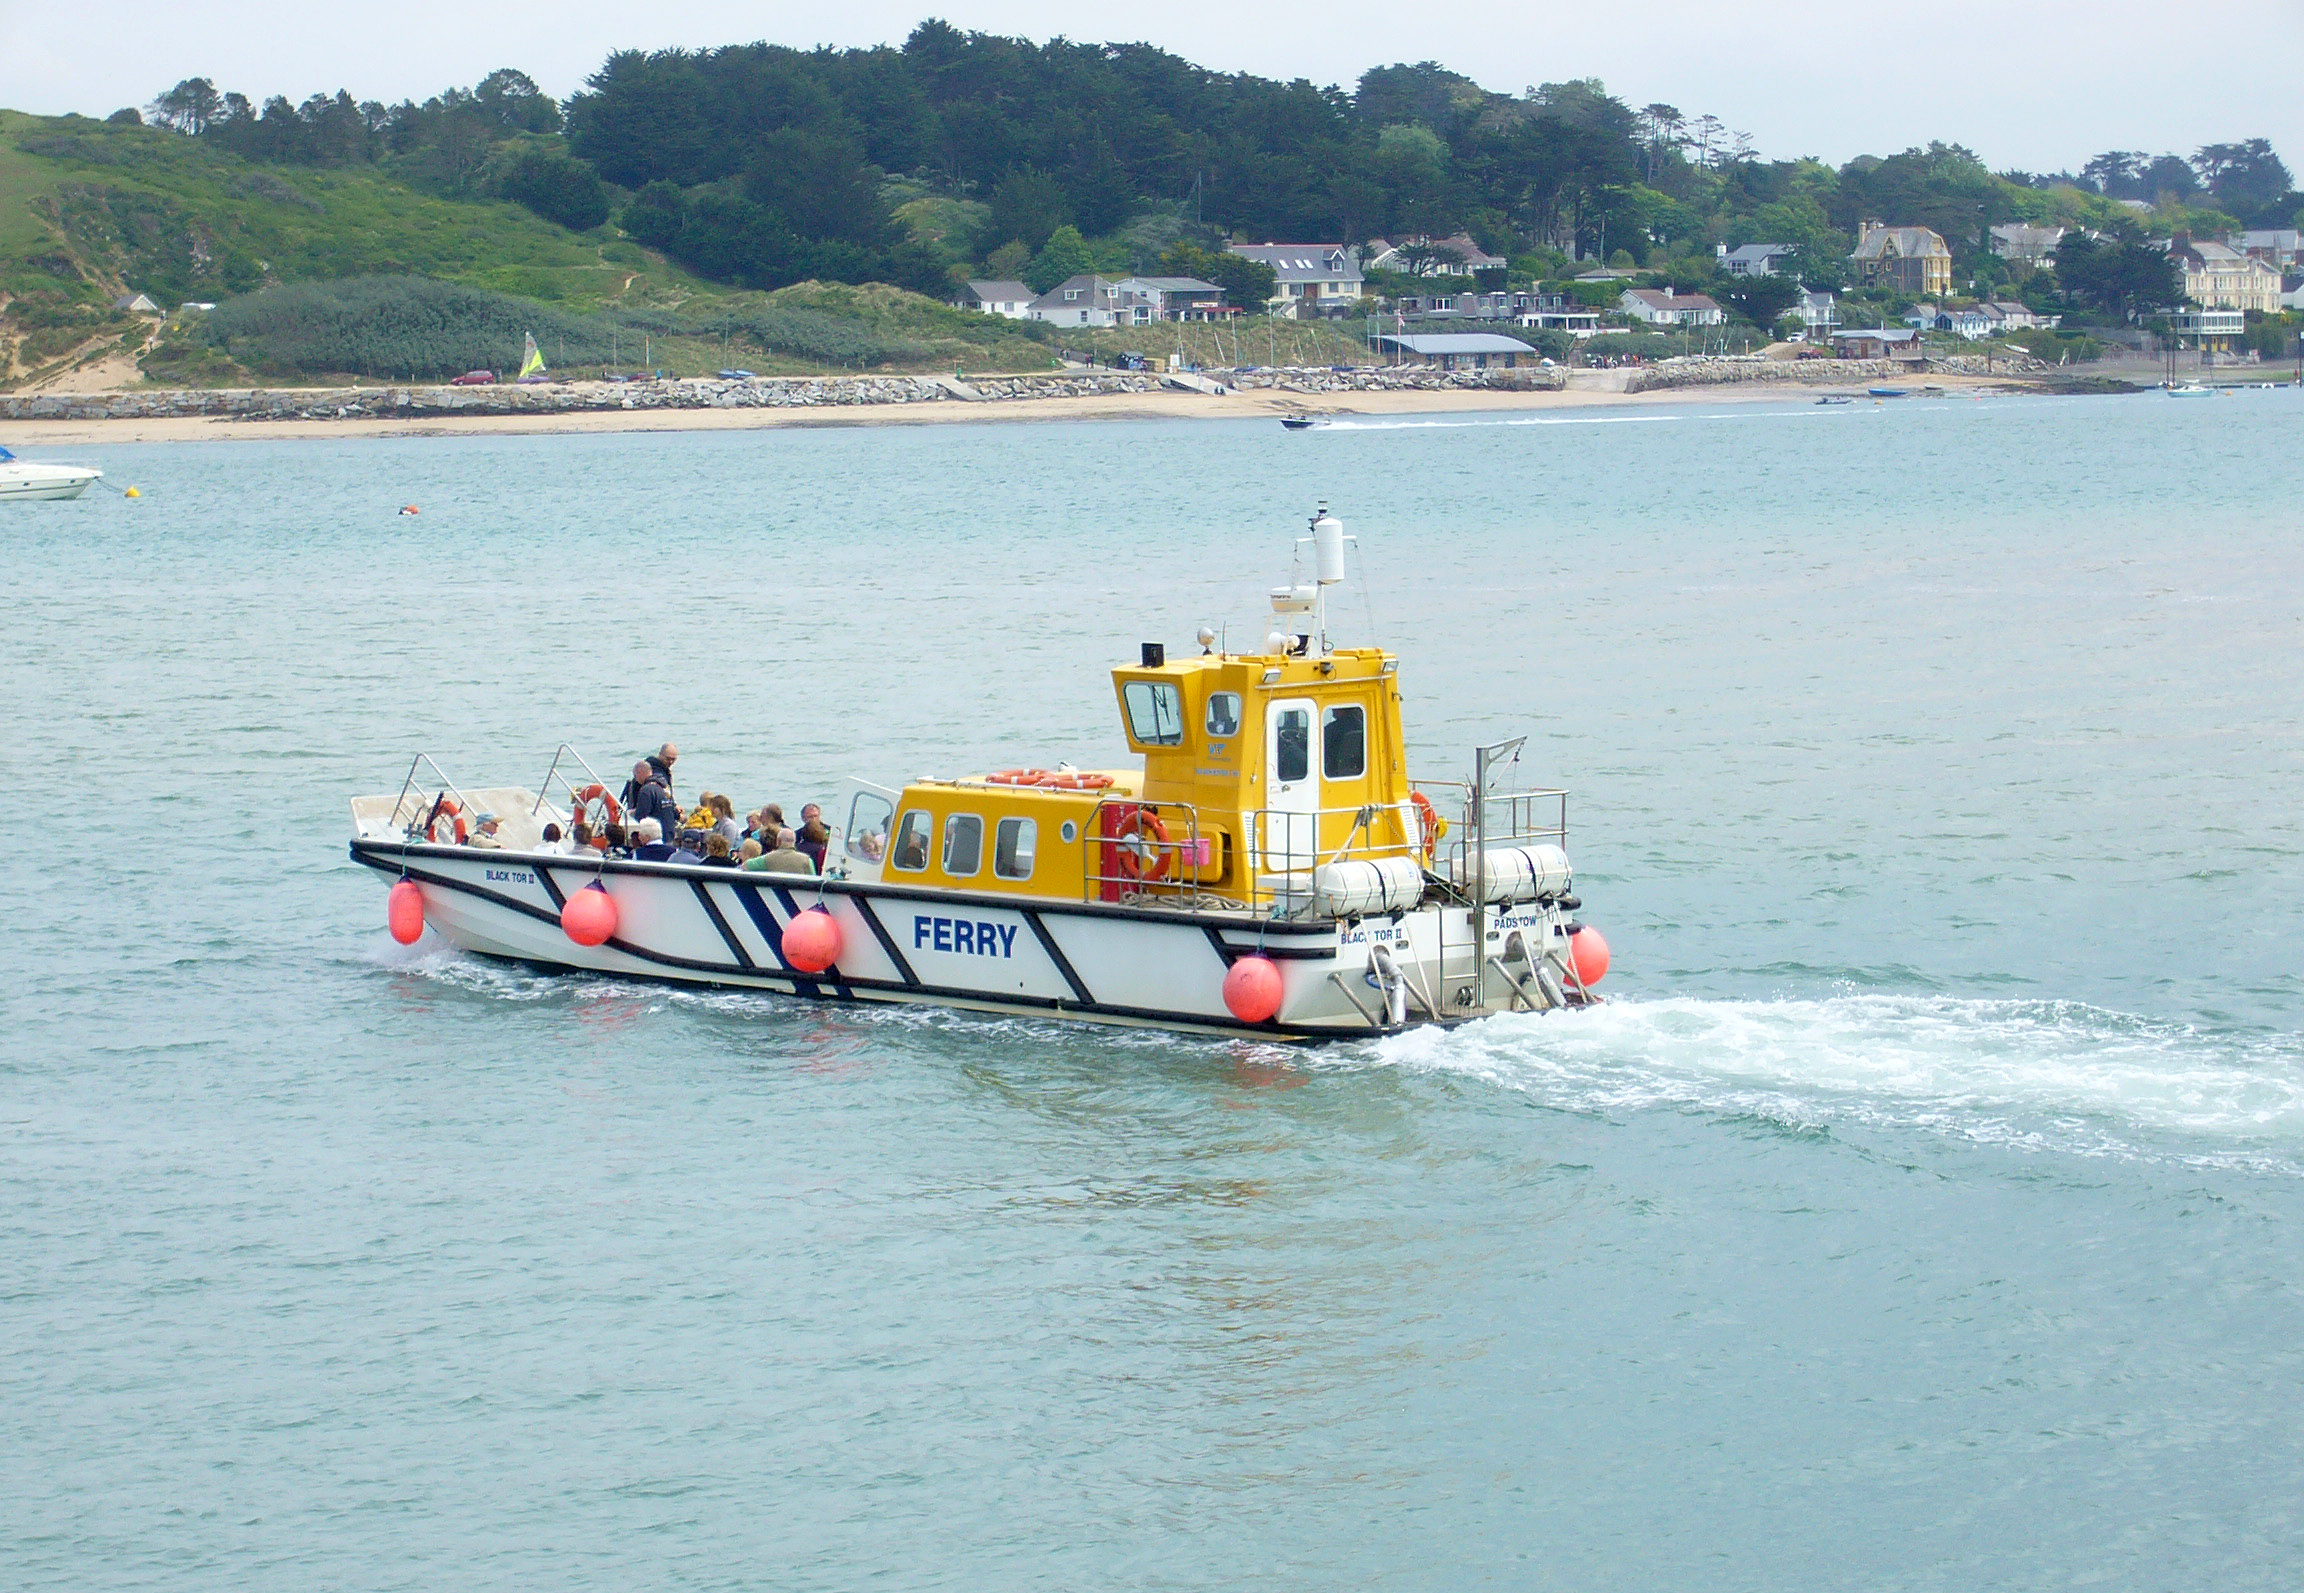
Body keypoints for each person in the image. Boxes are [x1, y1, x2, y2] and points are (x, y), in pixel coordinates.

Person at [625, 760, 679, 842]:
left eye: (635, 776)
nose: (635, 779)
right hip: (669, 833)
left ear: (640, 773)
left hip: (657, 837)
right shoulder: (664, 787)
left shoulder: (646, 790)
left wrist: (633, 813)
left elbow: (641, 817)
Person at [796, 803, 830, 870]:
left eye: (815, 816)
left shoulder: (830, 831)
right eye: (810, 817)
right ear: (803, 818)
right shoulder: (798, 834)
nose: (814, 819)